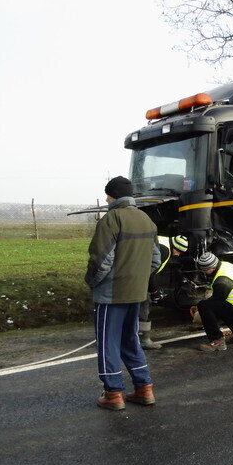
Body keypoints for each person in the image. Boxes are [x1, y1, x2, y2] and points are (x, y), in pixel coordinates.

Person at [85, 176, 161, 410]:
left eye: (108, 194)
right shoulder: (146, 220)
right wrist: (137, 280)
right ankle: (144, 388)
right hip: (137, 294)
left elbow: (101, 260)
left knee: (108, 343)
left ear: (113, 195)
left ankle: (113, 394)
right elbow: (155, 259)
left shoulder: (111, 219)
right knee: (130, 341)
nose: (106, 198)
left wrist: (91, 283)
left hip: (111, 294)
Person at [194, 251, 233, 352]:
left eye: (204, 270)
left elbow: (215, 302)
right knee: (221, 306)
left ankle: (217, 341)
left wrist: (201, 314)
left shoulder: (222, 282)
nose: (203, 272)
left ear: (212, 268)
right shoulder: (225, 265)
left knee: (204, 306)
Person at [138, 234, 188, 350]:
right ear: (174, 247)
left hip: (133, 271)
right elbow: (150, 272)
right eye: (178, 251)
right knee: (145, 302)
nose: (178, 254)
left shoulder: (163, 241)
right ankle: (143, 339)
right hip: (137, 276)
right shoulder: (164, 251)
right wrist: (154, 291)